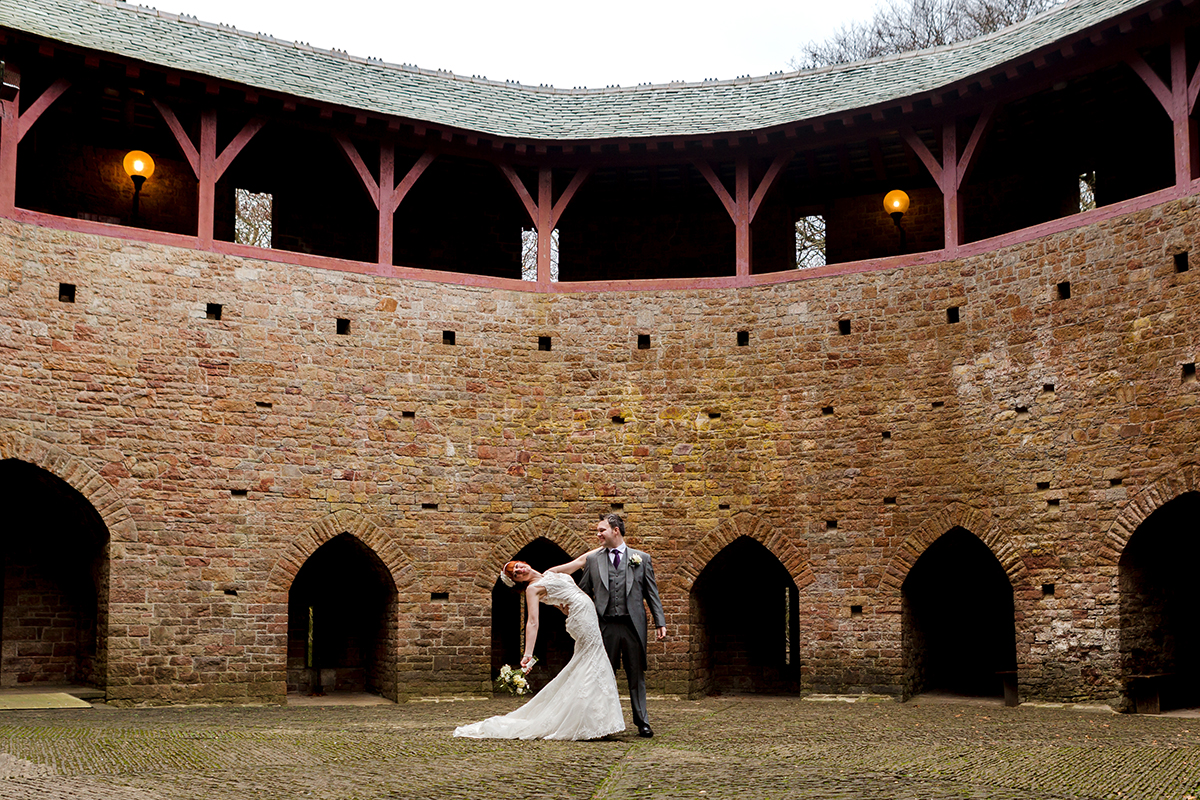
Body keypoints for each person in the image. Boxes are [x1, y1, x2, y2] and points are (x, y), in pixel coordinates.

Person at [454, 549, 624, 740]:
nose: (519, 571)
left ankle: (591, 719)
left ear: (523, 562)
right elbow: (533, 622)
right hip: (582, 618)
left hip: (584, 613)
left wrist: (607, 546)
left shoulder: (551, 573)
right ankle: (592, 722)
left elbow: (580, 561)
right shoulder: (533, 589)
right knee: (593, 660)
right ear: (518, 582)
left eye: (517, 566)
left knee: (589, 660)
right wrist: (527, 654)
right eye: (515, 574)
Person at [578, 513, 666, 738]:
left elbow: (651, 593)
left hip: (632, 626)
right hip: (604, 626)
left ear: (615, 530)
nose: (598, 534)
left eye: (601, 530)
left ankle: (642, 722)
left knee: (636, 674)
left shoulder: (641, 558)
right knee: (603, 675)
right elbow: (583, 592)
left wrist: (660, 622)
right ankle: (603, 725)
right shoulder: (593, 560)